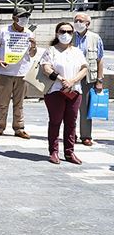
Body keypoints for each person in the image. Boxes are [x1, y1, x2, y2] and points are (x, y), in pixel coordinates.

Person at [40, 22, 88, 165]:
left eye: (69, 31)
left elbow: (84, 68)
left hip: (74, 91)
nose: (65, 34)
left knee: (71, 122)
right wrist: (61, 79)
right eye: (62, 31)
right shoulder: (51, 50)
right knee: (55, 121)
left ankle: (69, 152)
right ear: (57, 33)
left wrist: (72, 81)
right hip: (55, 91)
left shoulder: (77, 51)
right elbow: (46, 68)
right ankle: (53, 151)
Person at [0, 8, 37, 138]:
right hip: (5, 72)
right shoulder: (4, 31)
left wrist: (33, 46)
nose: (24, 20)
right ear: (14, 18)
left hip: (22, 72)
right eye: (22, 17)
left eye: (26, 17)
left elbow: (32, 54)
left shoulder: (29, 33)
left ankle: (19, 128)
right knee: (3, 102)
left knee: (19, 103)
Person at [73, 13, 105, 146]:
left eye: (81, 21)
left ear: (88, 24)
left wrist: (99, 80)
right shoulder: (69, 36)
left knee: (85, 109)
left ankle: (86, 135)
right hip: (72, 77)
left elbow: (100, 60)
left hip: (88, 78)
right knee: (70, 108)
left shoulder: (95, 38)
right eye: (76, 20)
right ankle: (71, 134)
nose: (78, 23)